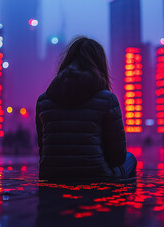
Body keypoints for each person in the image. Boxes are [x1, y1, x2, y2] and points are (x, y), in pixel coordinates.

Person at [35, 37, 136, 182]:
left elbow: (43, 152)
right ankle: (120, 202)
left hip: (51, 175)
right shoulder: (107, 100)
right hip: (96, 175)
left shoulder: (43, 101)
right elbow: (117, 158)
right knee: (130, 159)